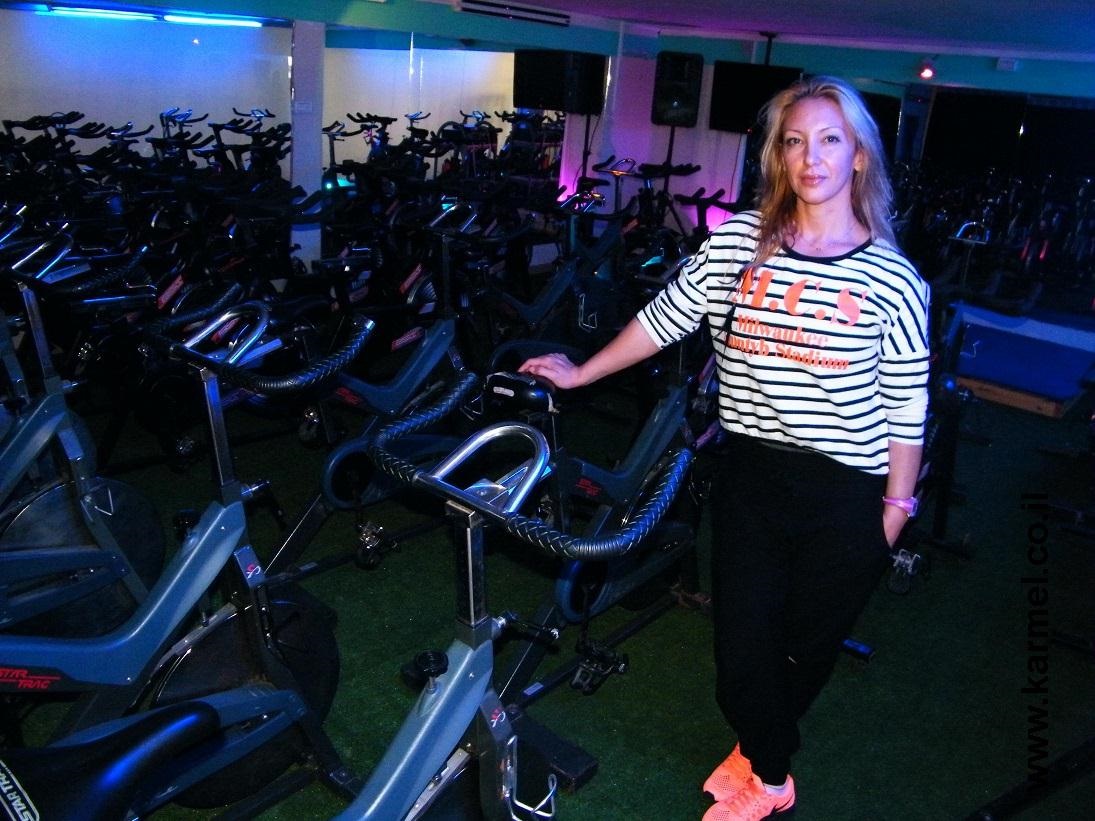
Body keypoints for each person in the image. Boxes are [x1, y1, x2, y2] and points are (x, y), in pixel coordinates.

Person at [519, 75, 930, 820]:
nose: (810, 157)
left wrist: (897, 508)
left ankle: (762, 761)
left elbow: (907, 407)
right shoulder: (739, 241)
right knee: (742, 648)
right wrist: (580, 373)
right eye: (794, 141)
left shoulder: (893, 279)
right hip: (752, 476)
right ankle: (772, 770)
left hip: (847, 490)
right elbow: (665, 318)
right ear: (778, 154)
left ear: (859, 156)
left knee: (805, 645)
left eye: (829, 140)